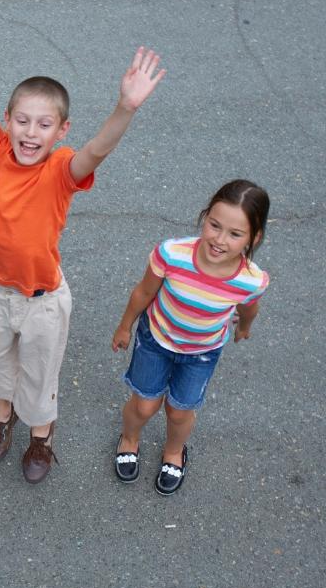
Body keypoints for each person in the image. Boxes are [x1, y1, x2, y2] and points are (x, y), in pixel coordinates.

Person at [0, 0, 166, 483]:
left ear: (62, 131)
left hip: (42, 300)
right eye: (23, 121)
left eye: (44, 125)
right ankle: (0, 422)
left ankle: (41, 439)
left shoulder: (60, 170)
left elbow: (97, 151)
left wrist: (126, 108)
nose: (31, 133)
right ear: (8, 121)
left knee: (40, 375)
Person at [111, 180, 270, 494]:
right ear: (205, 216)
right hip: (156, 339)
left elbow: (249, 309)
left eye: (235, 234)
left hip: (202, 352)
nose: (219, 239)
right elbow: (144, 292)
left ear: (254, 237)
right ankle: (129, 438)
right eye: (214, 225)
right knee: (144, 406)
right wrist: (125, 326)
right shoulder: (172, 253)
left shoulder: (251, 280)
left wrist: (244, 327)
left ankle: (174, 451)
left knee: (180, 410)